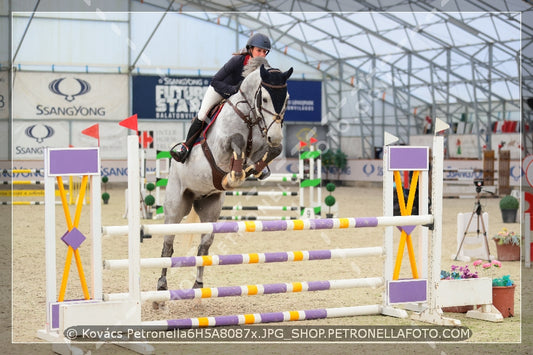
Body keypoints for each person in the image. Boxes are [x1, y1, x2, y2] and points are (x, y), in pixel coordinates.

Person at [170, 33, 271, 163]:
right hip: (220, 90)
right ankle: (185, 148)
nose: (262, 54)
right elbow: (215, 81)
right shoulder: (237, 61)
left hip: (240, 99)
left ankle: (256, 156)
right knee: (202, 115)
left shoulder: (263, 68)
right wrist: (233, 90)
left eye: (265, 52)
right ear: (250, 49)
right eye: (259, 51)